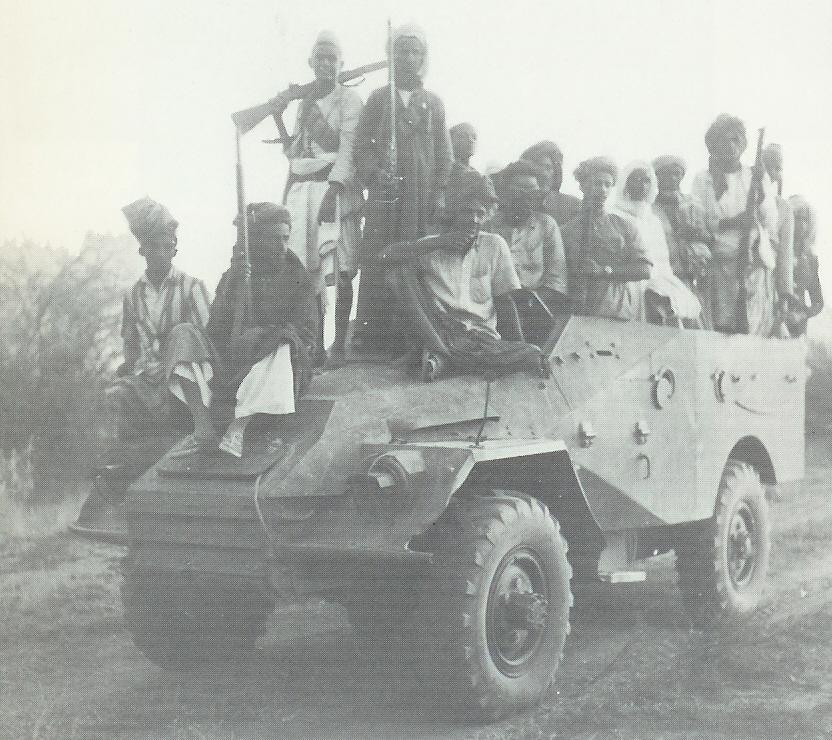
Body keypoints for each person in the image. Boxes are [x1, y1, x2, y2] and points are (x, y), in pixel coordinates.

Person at [382, 169, 548, 380]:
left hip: (481, 337)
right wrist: (439, 242)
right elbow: (385, 257)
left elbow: (505, 302)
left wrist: (518, 345)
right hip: (439, 331)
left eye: (480, 213)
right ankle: (445, 355)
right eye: (466, 212)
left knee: (532, 352)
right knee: (399, 271)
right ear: (452, 211)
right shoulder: (431, 246)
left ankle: (444, 359)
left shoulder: (494, 244)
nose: (474, 220)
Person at [351, 23, 453, 354]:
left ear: (423, 57)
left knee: (415, 259)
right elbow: (361, 148)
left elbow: (445, 157)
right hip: (385, 198)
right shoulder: (379, 100)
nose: (408, 58)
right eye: (402, 51)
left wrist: (437, 196)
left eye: (415, 52)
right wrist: (373, 174)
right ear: (391, 56)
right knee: (378, 257)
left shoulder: (433, 103)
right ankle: (372, 336)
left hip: (419, 202)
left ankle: (415, 335)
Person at [270, 31, 364, 364]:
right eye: (319, 58)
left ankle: (338, 346)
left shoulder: (350, 100)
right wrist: (279, 114)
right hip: (302, 190)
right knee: (306, 272)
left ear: (341, 64)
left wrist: (334, 191)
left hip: (334, 189)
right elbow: (293, 152)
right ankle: (315, 347)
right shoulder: (305, 102)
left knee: (339, 269)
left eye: (332, 58)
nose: (325, 64)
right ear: (311, 63)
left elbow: (349, 149)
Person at [205, 203, 319, 455]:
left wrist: (262, 337)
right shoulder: (236, 274)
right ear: (256, 241)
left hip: (285, 363)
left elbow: (304, 334)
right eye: (273, 239)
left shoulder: (297, 278)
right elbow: (214, 331)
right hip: (239, 363)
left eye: (285, 238)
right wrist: (232, 287)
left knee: (283, 346)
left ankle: (241, 424)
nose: (282, 246)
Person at [106, 197, 214, 443]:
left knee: (183, 334)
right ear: (143, 249)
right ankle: (129, 457)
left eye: (168, 246)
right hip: (149, 378)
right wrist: (126, 372)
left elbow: (208, 338)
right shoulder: (132, 295)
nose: (162, 253)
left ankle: (203, 428)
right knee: (115, 394)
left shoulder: (192, 287)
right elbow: (130, 346)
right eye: (154, 246)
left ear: (175, 249)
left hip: (190, 379)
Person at [691, 114, 779, 335]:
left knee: (753, 327)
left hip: (753, 262)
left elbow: (770, 221)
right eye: (723, 140)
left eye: (735, 140)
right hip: (720, 263)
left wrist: (761, 197)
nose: (730, 146)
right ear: (714, 145)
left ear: (743, 144)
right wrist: (733, 222)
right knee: (722, 326)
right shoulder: (703, 180)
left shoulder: (755, 175)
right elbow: (698, 223)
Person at [561, 157, 652, 320]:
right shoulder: (566, 231)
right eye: (597, 183)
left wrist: (605, 271)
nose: (603, 190)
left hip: (615, 310)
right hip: (576, 313)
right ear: (582, 186)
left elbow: (644, 269)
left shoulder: (624, 226)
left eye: (607, 185)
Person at [488, 160, 568, 344]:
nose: (525, 197)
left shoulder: (547, 225)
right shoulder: (489, 225)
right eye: (519, 191)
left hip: (534, 313)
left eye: (532, 192)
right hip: (491, 312)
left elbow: (556, 281)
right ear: (506, 192)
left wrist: (528, 306)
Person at [613, 161, 701, 325]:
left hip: (657, 282)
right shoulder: (616, 215)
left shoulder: (653, 220)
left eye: (646, 180)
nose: (642, 185)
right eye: (636, 179)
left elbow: (662, 262)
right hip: (628, 282)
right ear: (625, 183)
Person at [652, 154, 714, 328]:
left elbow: (710, 237)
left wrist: (695, 233)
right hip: (664, 274)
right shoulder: (650, 207)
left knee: (696, 322)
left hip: (692, 273)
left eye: (677, 174)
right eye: (666, 174)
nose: (672, 178)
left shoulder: (694, 203)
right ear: (657, 177)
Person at [761, 143, 796, 322]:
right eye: (766, 165)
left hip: (767, 278)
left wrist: (784, 296)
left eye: (777, 168)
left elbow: (785, 255)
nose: (770, 172)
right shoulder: (742, 194)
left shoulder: (784, 208)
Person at [785, 195, 824, 335]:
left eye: (805, 219)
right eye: (797, 218)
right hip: (774, 321)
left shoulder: (811, 260)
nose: (801, 224)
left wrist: (801, 315)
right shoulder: (775, 252)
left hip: (797, 328)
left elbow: (818, 302)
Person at [520, 140, 582, 227]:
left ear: (556, 172)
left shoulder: (574, 206)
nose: (542, 173)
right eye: (533, 167)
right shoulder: (514, 205)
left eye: (547, 167)